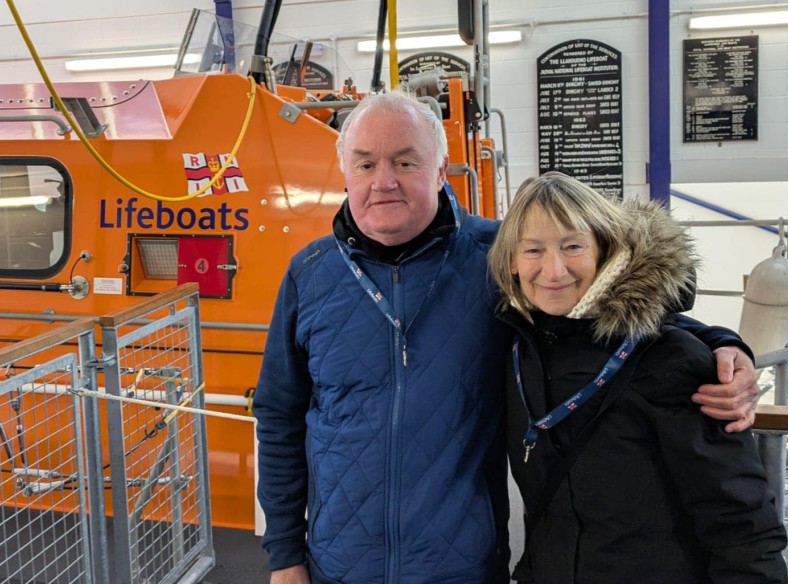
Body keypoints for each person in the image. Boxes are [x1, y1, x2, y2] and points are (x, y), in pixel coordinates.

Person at [253, 92, 760, 584]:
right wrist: (284, 555)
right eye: (365, 164)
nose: (383, 181)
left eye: (405, 162)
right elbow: (279, 416)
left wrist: (720, 343)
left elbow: (606, 303)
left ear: (440, 165)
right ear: (345, 172)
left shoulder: (498, 258)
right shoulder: (309, 274)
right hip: (336, 567)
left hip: (461, 566)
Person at [487, 172, 788, 583]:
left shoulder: (672, 360)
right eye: (533, 250)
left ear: (604, 249)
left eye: (573, 246)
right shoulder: (517, 347)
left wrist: (726, 343)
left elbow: (740, 519)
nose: (553, 270)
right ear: (511, 262)